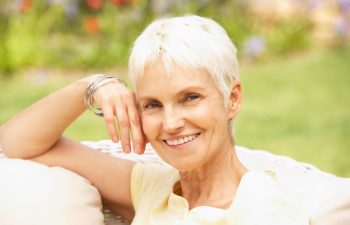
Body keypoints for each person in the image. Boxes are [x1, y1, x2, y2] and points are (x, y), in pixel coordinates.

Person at [0, 15, 309, 224]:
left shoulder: (265, 209)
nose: (171, 122)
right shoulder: (154, 189)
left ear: (233, 99)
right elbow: (16, 144)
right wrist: (92, 86)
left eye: (190, 97)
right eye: (152, 105)